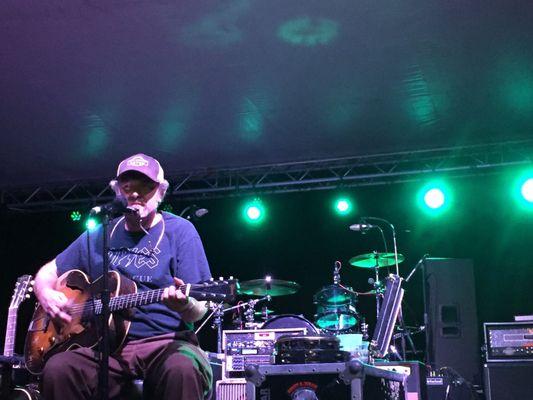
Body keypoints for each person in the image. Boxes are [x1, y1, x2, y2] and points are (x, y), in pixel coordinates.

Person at [33, 153, 213, 399]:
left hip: (165, 343)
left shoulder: (181, 231)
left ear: (160, 191)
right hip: (105, 349)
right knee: (59, 368)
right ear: (118, 191)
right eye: (128, 187)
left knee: (181, 369)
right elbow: (48, 271)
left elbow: (200, 309)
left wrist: (184, 304)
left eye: (145, 187)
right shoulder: (102, 232)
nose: (136, 194)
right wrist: (46, 293)